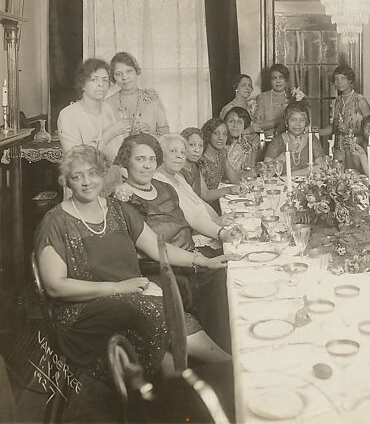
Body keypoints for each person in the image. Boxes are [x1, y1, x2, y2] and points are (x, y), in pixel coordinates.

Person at [34, 146, 231, 381]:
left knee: (162, 307)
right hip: (81, 312)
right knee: (153, 309)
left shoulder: (119, 210)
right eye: (77, 176)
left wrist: (202, 261)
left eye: (93, 173)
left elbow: (160, 249)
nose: (87, 182)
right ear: (66, 181)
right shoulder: (55, 221)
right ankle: (227, 364)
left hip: (130, 298)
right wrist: (119, 288)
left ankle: (177, 390)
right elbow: (55, 286)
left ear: (103, 174)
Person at [113, 134, 233, 351]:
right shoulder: (124, 199)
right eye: (139, 159)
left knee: (230, 276)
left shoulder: (165, 187)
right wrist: (201, 261)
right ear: (126, 162)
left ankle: (228, 351)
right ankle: (216, 360)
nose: (147, 165)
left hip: (190, 258)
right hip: (161, 269)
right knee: (214, 284)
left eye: (151, 159)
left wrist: (222, 233)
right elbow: (157, 249)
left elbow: (192, 218)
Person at [154, 134, 226, 251]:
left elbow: (199, 202)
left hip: (208, 232)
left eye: (182, 152)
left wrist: (218, 220)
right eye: (173, 151)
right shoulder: (159, 180)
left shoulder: (177, 177)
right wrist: (218, 226)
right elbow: (189, 215)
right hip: (193, 243)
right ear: (160, 155)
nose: (179, 156)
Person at [57, 58, 131, 162]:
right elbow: (76, 161)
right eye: (94, 79)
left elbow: (118, 149)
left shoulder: (108, 108)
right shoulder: (68, 115)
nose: (101, 84)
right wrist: (107, 135)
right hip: (86, 175)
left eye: (105, 80)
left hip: (114, 172)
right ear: (82, 85)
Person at [104, 52, 169, 136]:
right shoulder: (107, 103)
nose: (124, 77)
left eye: (129, 71)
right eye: (119, 74)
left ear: (136, 71)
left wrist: (150, 134)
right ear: (113, 77)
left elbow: (165, 137)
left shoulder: (152, 98)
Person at [319, 64, 370, 167]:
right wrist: (315, 132)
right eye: (336, 79)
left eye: (343, 78)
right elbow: (334, 128)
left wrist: (349, 130)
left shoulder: (360, 101)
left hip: (356, 148)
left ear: (350, 80)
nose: (339, 82)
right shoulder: (338, 101)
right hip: (339, 148)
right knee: (336, 178)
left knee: (354, 178)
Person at [264, 97, 325, 175]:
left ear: (306, 123)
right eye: (293, 120)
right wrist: (283, 156)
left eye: (301, 120)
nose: (297, 124)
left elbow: (322, 167)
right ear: (286, 122)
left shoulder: (312, 139)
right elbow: (266, 172)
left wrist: (293, 174)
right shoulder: (278, 141)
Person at [180, 127, 239, 206]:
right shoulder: (178, 171)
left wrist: (230, 189)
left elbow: (206, 194)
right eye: (192, 145)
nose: (197, 150)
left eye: (200, 145)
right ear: (182, 146)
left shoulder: (194, 167)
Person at [199, 119, 240, 190]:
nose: (221, 138)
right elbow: (205, 195)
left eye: (224, 134)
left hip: (219, 198)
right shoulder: (200, 159)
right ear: (208, 134)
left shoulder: (222, 153)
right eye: (216, 133)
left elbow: (233, 178)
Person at [255, 64, 290, 135]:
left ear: (286, 80)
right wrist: (281, 120)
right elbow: (258, 125)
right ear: (270, 80)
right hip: (268, 139)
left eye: (281, 77)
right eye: (274, 78)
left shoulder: (295, 96)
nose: (278, 81)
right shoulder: (262, 98)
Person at [224, 106, 260, 174]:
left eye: (239, 122)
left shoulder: (249, 142)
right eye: (231, 121)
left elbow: (250, 170)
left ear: (245, 126)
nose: (235, 125)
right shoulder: (220, 142)